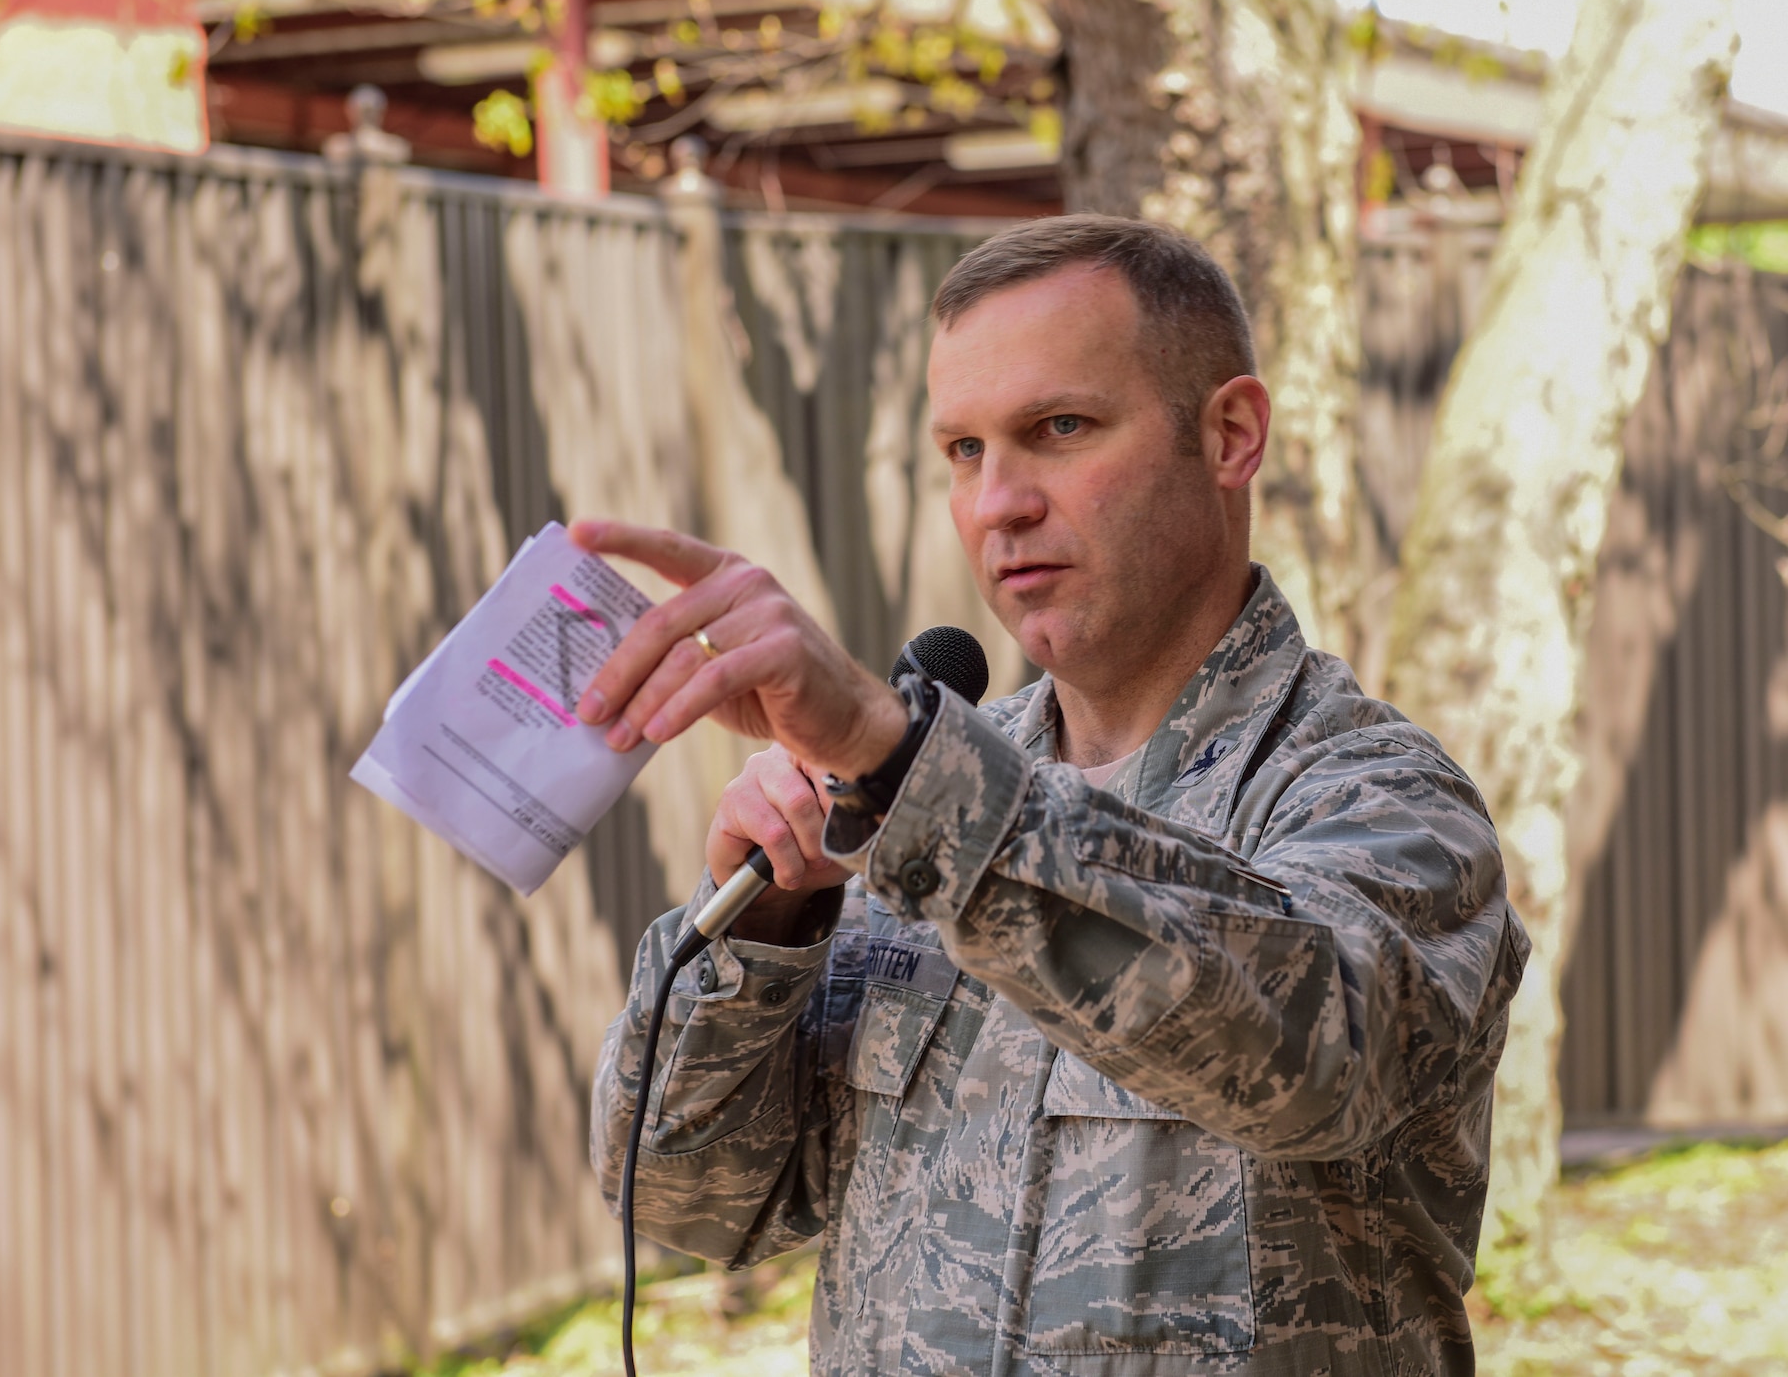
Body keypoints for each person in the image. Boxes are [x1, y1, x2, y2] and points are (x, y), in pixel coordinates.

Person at [574, 215, 1527, 1376]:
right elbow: (695, 1202)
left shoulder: (1377, 797)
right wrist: (767, 926)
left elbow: (1304, 1056)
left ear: (1229, 434)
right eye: (963, 451)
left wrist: (907, 773)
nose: (997, 503)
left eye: (1057, 429)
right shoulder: (909, 807)